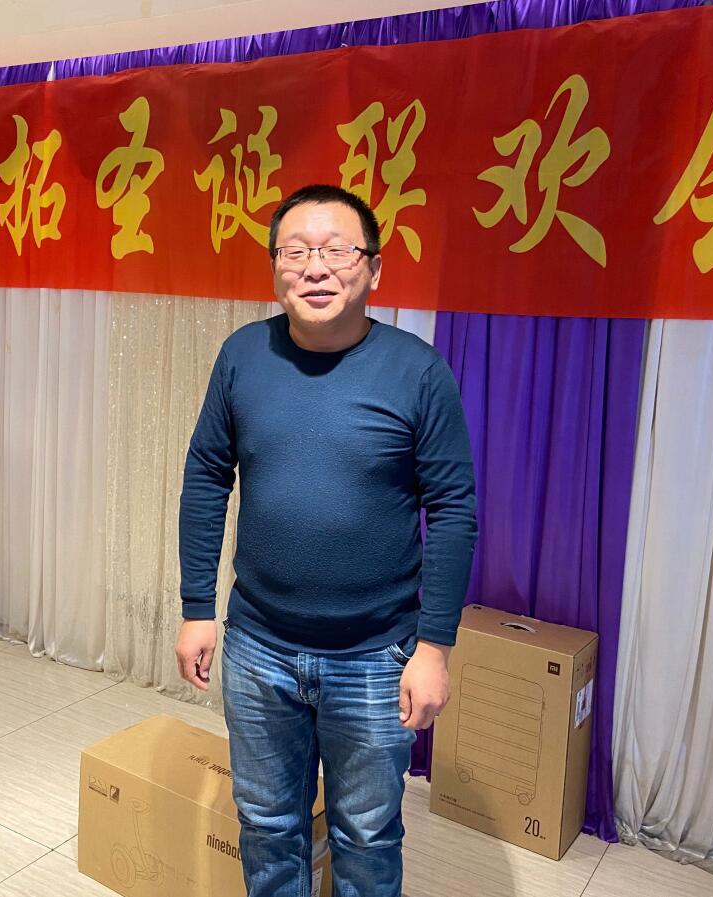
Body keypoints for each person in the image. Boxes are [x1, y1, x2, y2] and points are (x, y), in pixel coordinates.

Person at [175, 184, 477, 897]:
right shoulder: (242, 356)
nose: (315, 268)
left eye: (337, 251)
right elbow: (206, 477)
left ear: (374, 268)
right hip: (258, 648)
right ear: (275, 266)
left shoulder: (418, 372)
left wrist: (434, 648)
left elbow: (453, 509)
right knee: (267, 825)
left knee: (366, 837)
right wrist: (196, 607)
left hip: (376, 655)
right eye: (296, 251)